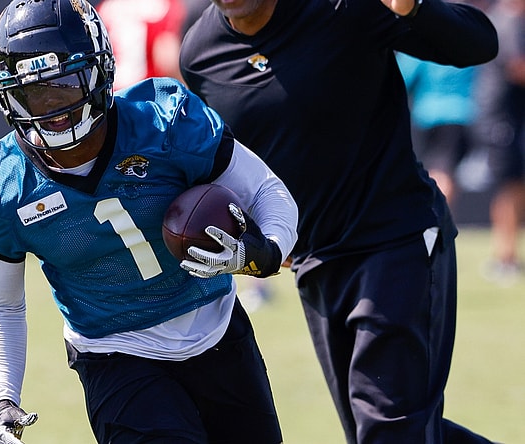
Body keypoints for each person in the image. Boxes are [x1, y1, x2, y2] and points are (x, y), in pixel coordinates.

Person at [0, 1, 298, 443]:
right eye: (33, 92)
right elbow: (1, 302)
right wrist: (2, 398)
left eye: (63, 84)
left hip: (217, 334)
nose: (51, 106)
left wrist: (264, 251)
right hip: (114, 353)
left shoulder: (164, 122)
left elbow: (268, 192)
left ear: (98, 70)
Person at [180, 0, 498, 443]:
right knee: (390, 428)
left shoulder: (343, 8)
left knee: (389, 427)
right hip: (317, 260)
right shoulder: (199, 52)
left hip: (395, 238)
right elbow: (231, 160)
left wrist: (414, 10)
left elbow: (480, 44)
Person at [474, 0, 525, 284]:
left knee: (516, 186)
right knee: (509, 186)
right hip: (500, 118)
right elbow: (517, 67)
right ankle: (504, 257)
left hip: (510, 119)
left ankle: (508, 255)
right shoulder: (506, 21)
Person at [397, 52, 479, 209]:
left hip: (427, 114)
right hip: (460, 113)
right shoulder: (469, 41)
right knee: (445, 173)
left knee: (435, 172)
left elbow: (404, 76)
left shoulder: (426, 42)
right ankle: (438, 221)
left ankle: (436, 220)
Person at [96, 0, 187, 90]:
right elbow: (167, 60)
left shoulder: (103, 8)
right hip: (148, 95)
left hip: (113, 93)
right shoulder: (163, 6)